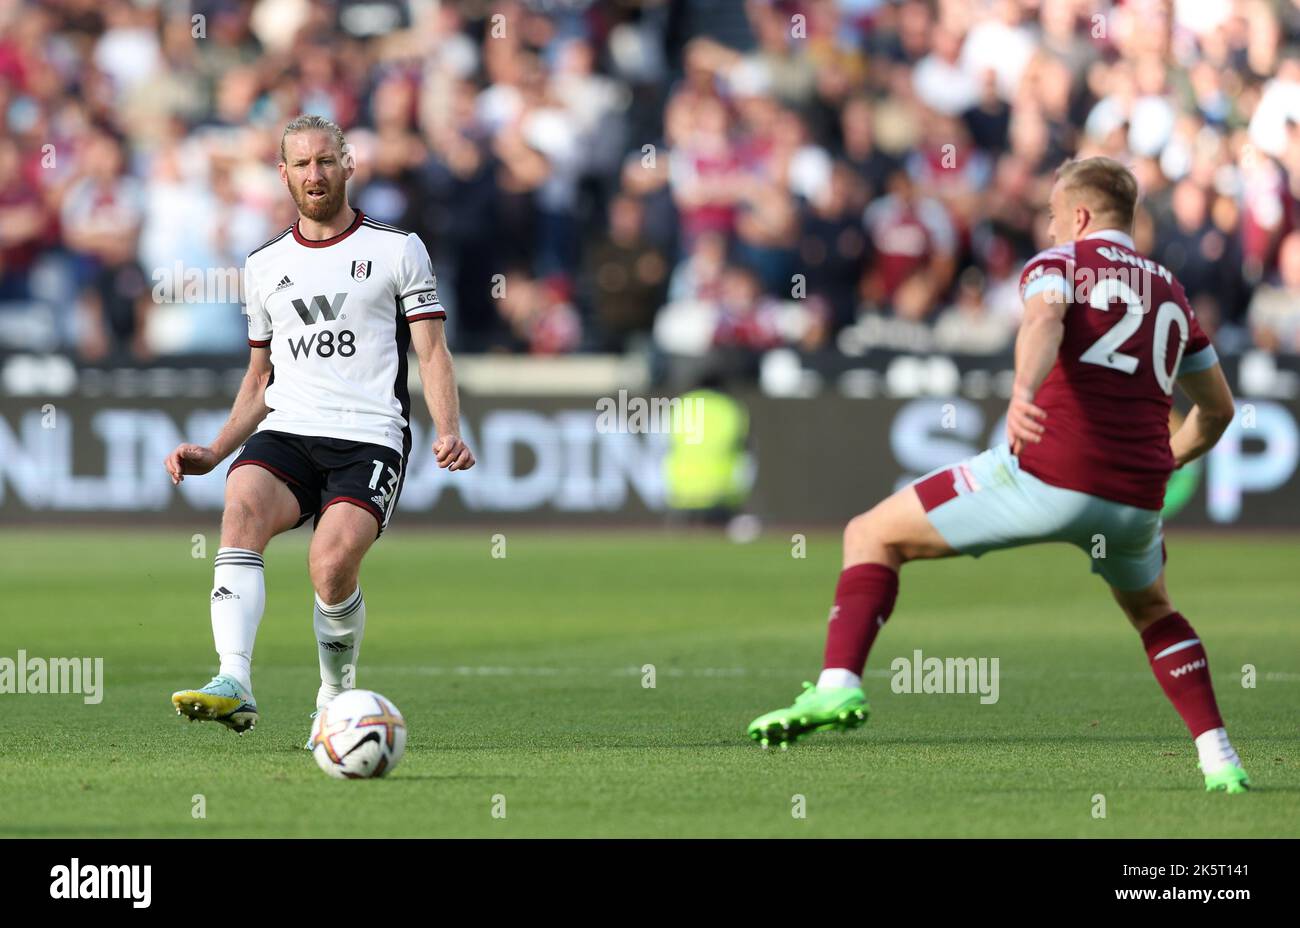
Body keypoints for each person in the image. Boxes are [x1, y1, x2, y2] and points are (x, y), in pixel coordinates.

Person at [747, 157, 1249, 794]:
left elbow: (1044, 320)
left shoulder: (1058, 266)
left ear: (1081, 216)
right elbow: (1218, 410)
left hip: (1045, 473)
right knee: (1155, 613)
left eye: (1052, 215)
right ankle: (1220, 759)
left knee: (871, 535)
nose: (1047, 228)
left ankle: (836, 688)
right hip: (1135, 498)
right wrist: (1166, 459)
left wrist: (1021, 389)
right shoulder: (1173, 292)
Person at [164, 115, 474, 734]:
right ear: (282, 174)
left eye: (326, 161)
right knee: (242, 503)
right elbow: (260, 378)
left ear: (348, 164)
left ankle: (334, 696)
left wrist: (448, 429)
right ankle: (234, 679)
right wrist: (218, 450)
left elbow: (432, 350)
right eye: (301, 164)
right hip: (290, 428)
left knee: (330, 566)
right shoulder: (264, 265)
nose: (315, 174)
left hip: (371, 434)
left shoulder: (396, 248)